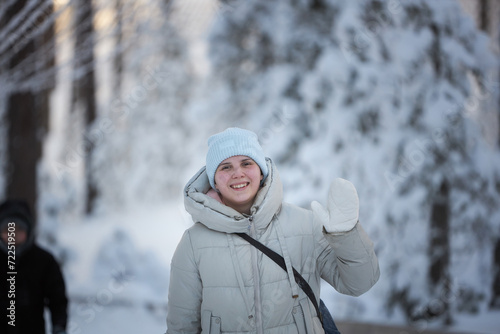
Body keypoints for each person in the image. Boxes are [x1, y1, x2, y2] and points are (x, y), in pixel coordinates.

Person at [166, 127, 380, 334]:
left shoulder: (305, 224)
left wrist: (345, 234)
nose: (237, 173)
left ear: (261, 171)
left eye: (246, 163)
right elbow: (181, 327)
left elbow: (359, 284)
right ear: (214, 181)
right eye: (225, 167)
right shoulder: (193, 243)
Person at [0, 199, 68, 334]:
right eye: (8, 229)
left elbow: (58, 300)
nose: (13, 235)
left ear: (28, 230)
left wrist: (59, 327)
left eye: (19, 229)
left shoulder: (44, 261)